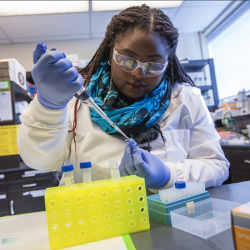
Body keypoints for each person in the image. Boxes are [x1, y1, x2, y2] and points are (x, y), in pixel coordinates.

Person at [17, 4, 229, 193]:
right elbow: (40, 161)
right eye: (127, 60)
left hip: (167, 222)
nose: (138, 74)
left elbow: (216, 166)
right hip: (94, 222)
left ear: (168, 62)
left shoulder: (186, 99)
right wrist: (49, 107)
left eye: (153, 65)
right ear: (111, 52)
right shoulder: (75, 97)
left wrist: (167, 175)